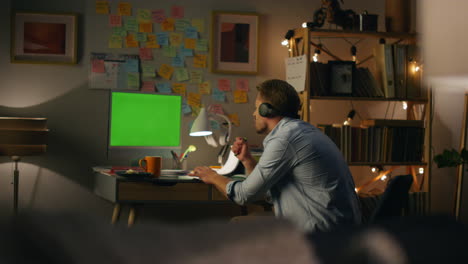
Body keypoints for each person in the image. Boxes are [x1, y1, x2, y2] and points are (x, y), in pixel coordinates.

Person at [189, 79, 361, 232]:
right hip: (337, 229)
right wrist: (248, 161)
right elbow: (267, 194)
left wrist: (212, 176)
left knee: (237, 227)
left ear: (266, 110)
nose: (253, 113)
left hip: (320, 236)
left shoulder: (285, 139)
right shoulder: (301, 131)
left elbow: (243, 196)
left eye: (256, 108)